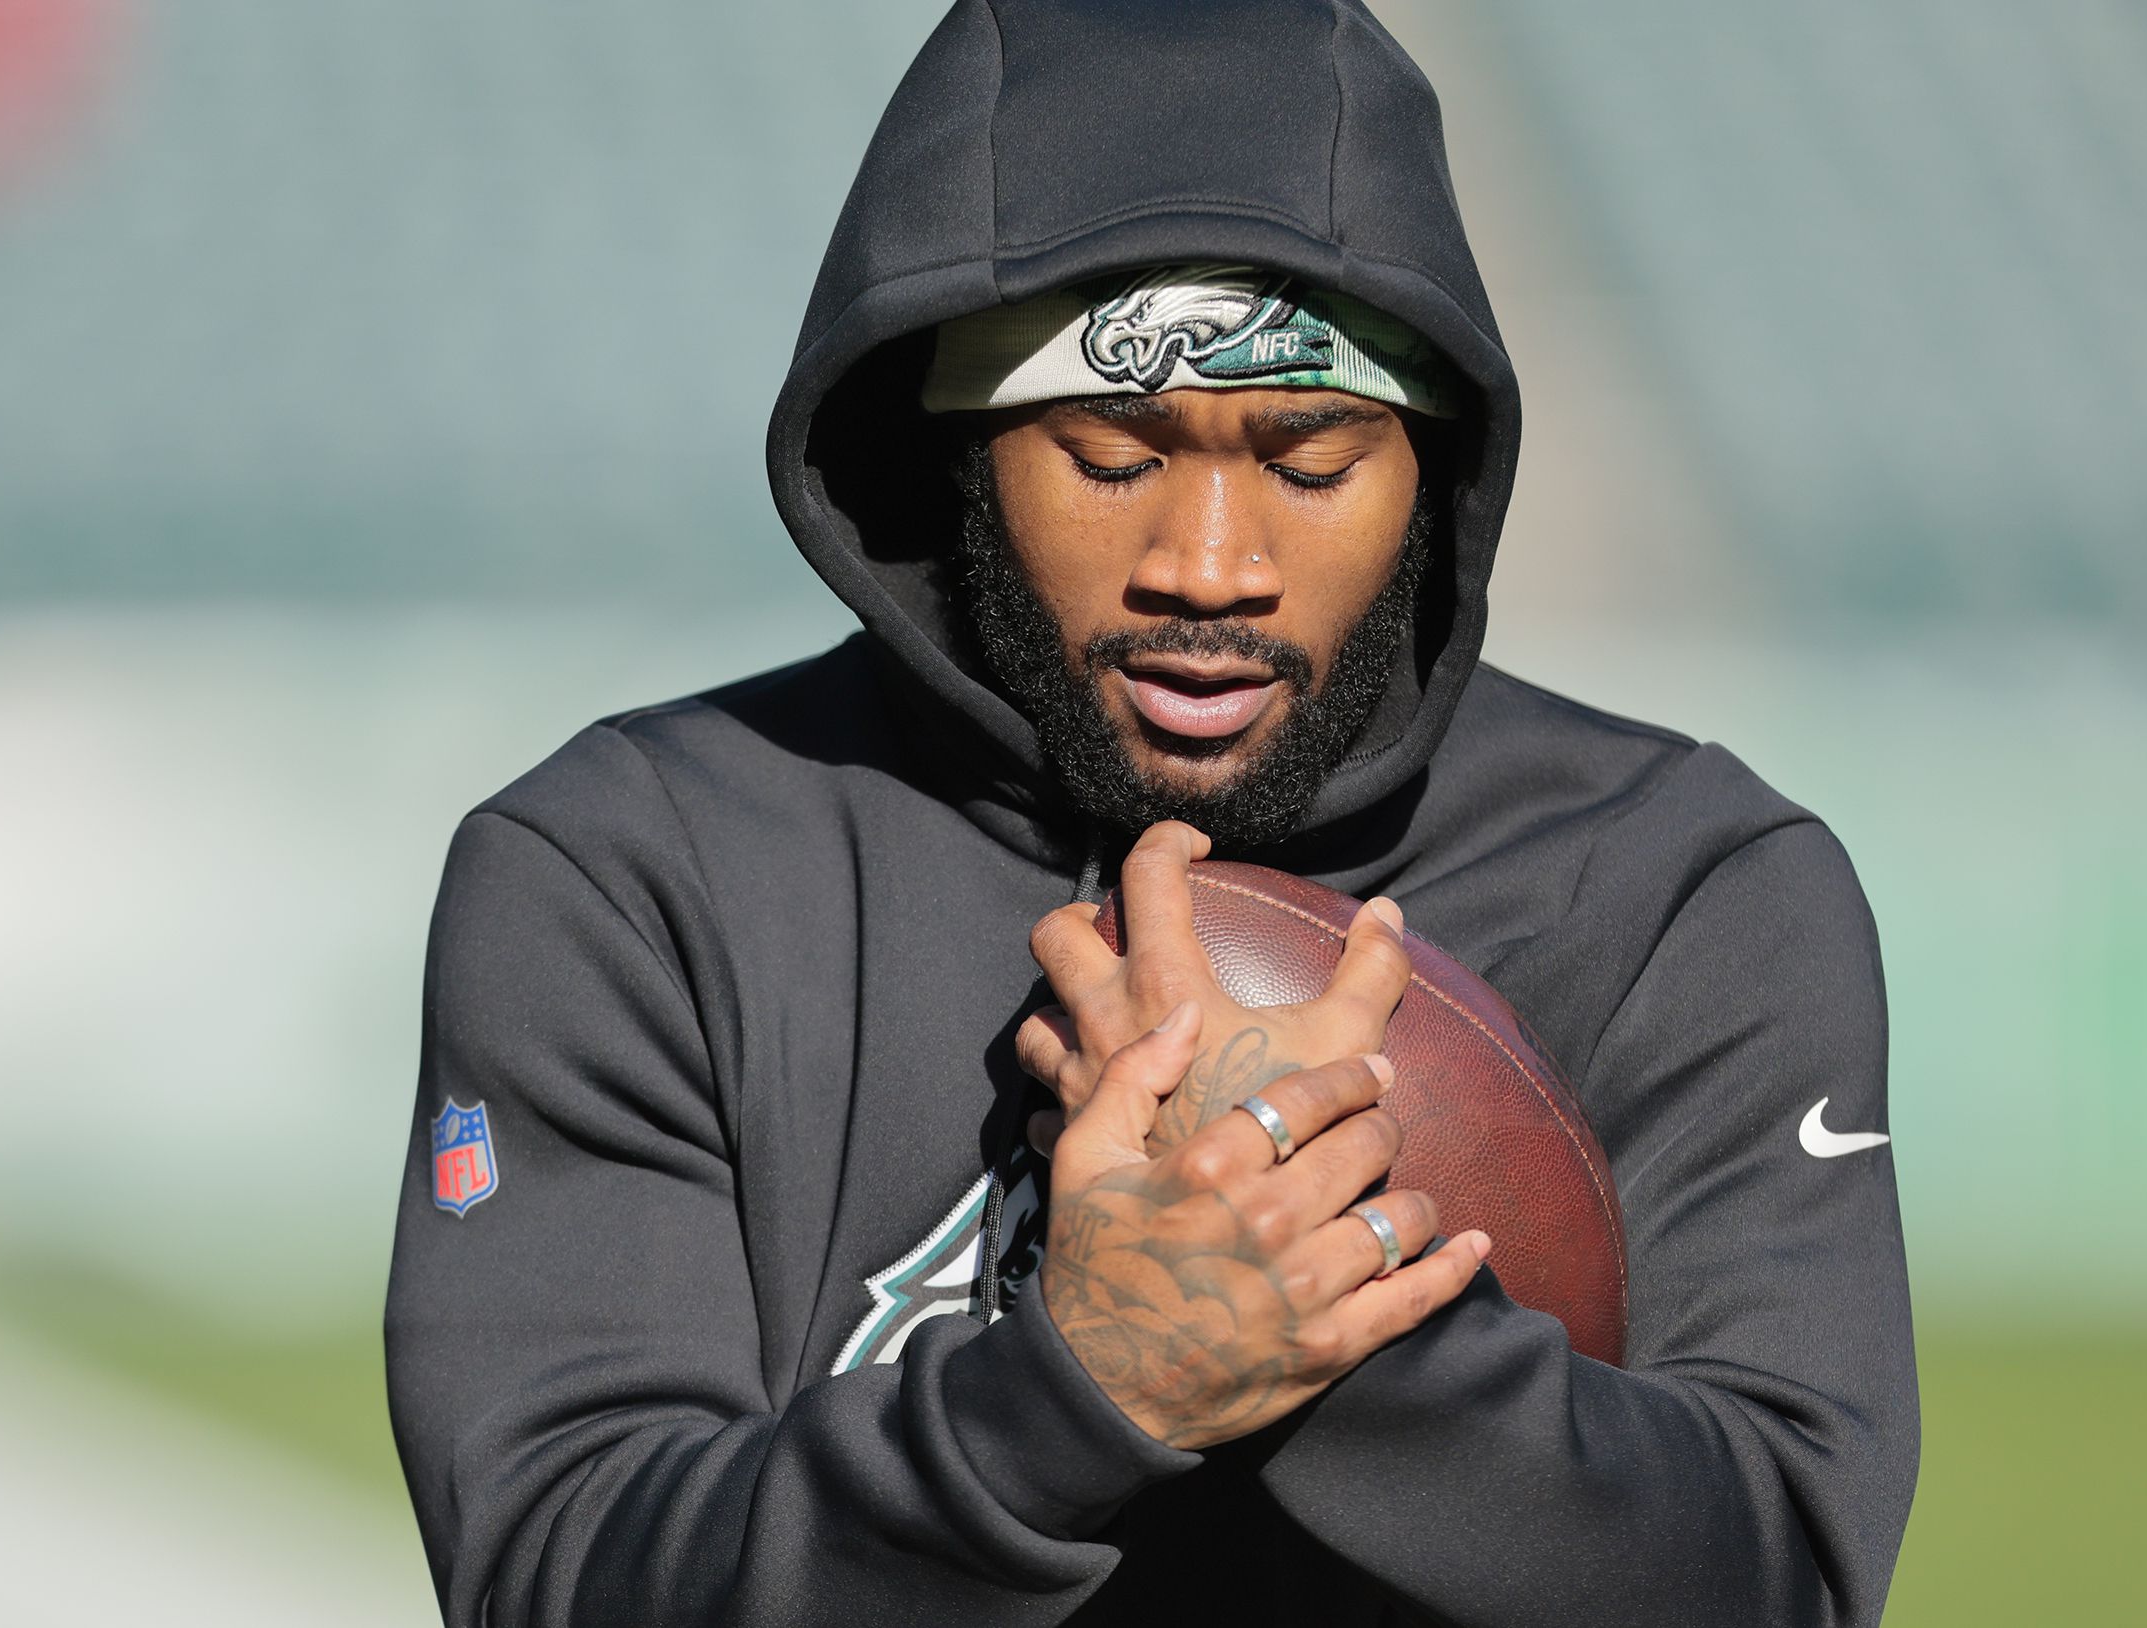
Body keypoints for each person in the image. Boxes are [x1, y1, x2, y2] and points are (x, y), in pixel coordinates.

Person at [384, 3, 1919, 1624]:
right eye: (1111, 456)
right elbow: (557, 1575)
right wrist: (1073, 1399)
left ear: (1435, 459)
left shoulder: (1684, 887)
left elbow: (1783, 1577)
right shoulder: (637, 876)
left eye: (1312, 463)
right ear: (953, 443)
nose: (1209, 564)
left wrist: (1315, 1285)